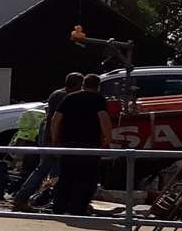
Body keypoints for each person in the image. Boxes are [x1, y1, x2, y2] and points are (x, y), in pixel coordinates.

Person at [12, 72, 82, 212]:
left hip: (50, 135)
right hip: (55, 137)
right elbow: (58, 120)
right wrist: (55, 141)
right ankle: (30, 198)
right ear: (77, 85)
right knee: (49, 169)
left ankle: (44, 199)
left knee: (48, 169)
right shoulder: (65, 97)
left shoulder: (57, 94)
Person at [49, 73, 112, 215]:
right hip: (89, 144)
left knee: (66, 177)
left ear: (83, 84)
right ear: (98, 87)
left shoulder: (69, 97)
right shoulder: (98, 99)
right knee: (87, 179)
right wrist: (107, 139)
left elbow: (55, 119)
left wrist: (55, 140)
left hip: (68, 143)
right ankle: (77, 209)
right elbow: (104, 119)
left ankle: (59, 207)